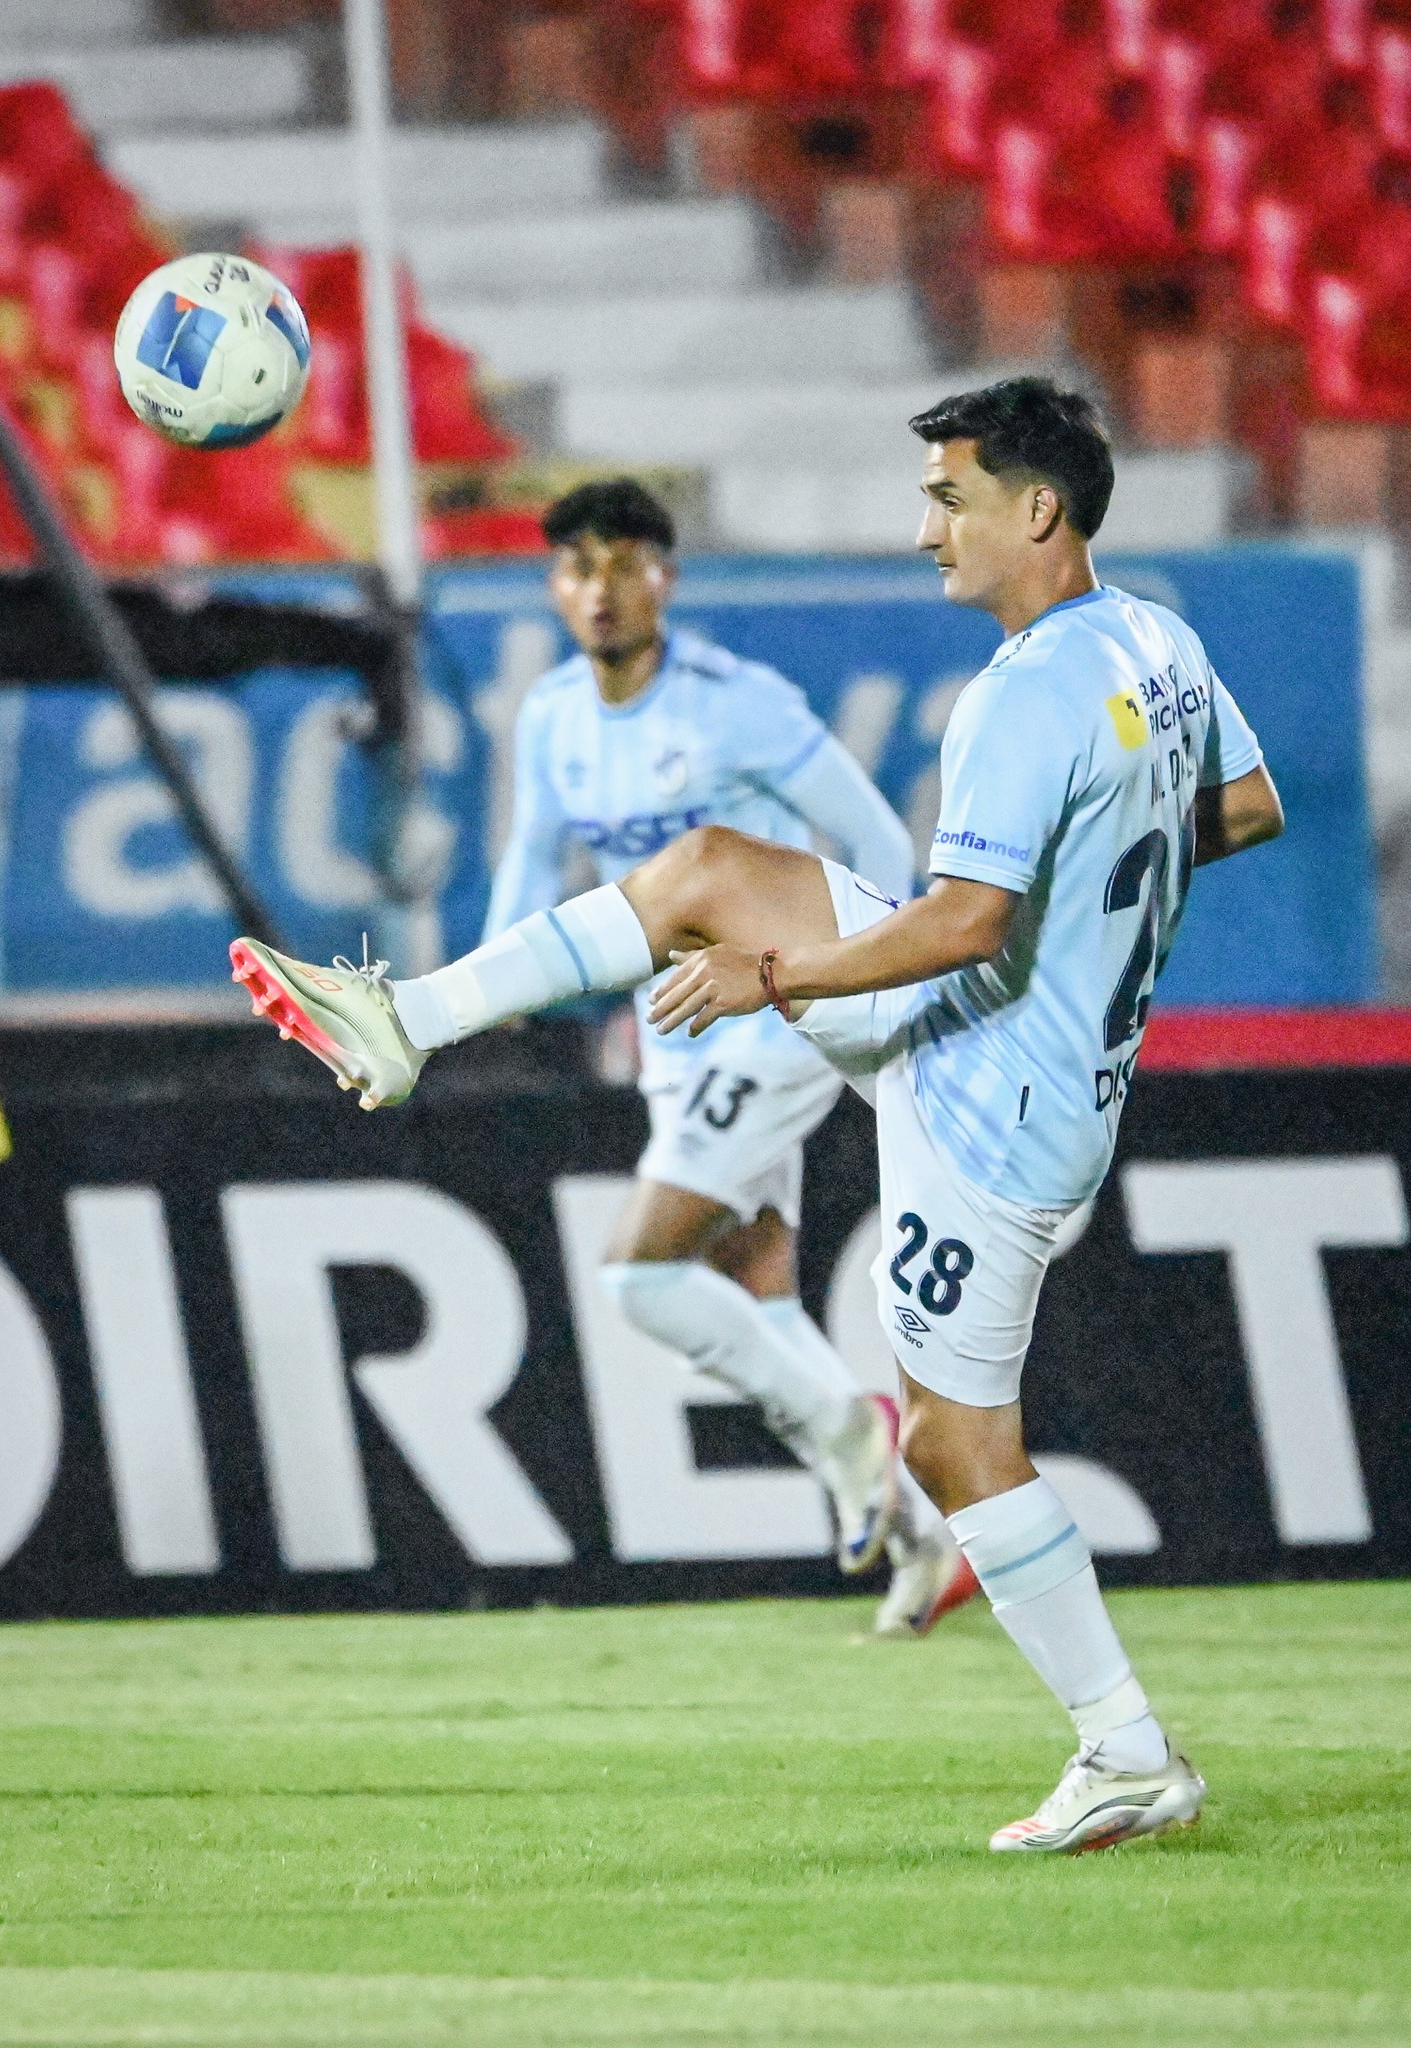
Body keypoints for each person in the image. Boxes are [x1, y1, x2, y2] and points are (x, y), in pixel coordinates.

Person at [231, 377, 1285, 1854]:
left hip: (987, 1105)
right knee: (708, 865)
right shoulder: (1157, 639)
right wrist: (1091, 902)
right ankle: (405, 1018)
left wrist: (773, 978)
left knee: (952, 1442)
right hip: (1011, 1050)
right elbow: (1244, 811)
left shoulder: (1020, 692)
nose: (925, 532)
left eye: (948, 499)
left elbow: (967, 924)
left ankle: (1121, 1749)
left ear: (1034, 510)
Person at [475, 476, 972, 1635]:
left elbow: (873, 834)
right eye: (578, 567)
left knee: (637, 1270)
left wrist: (843, 975)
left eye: (624, 562)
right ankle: (920, 1535)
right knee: (757, 1288)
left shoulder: (735, 704)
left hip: (770, 1014)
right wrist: (493, 983)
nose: (600, 589)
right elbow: (533, 866)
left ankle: (860, 1440)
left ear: (666, 577)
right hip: (672, 1037)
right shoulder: (552, 715)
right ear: (555, 587)